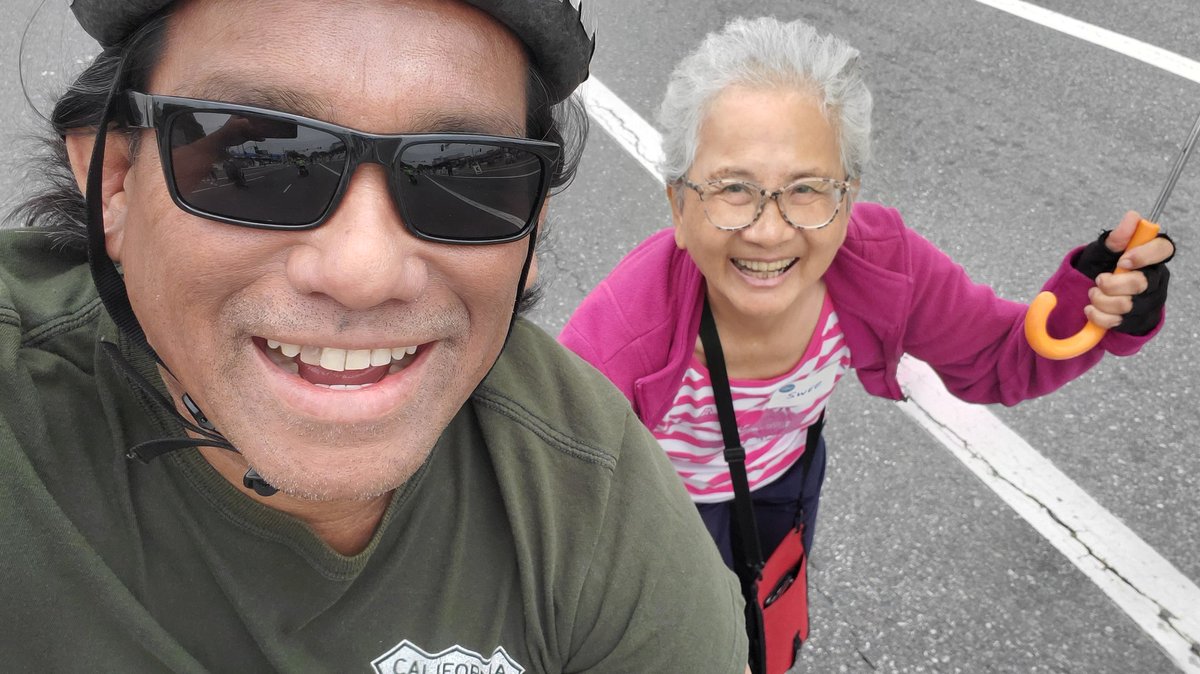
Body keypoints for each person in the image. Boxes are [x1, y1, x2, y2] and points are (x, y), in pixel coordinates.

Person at [0, 1, 750, 670]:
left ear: (529, 236)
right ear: (118, 183)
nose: (364, 269)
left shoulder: (594, 503)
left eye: (467, 173)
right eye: (255, 156)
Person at [559, 15, 1174, 657]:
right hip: (656, 519)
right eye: (732, 189)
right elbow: (546, 489)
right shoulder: (624, 333)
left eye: (807, 189)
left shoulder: (883, 265)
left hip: (784, 483)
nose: (770, 230)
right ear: (679, 209)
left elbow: (1000, 359)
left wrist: (1096, 310)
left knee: (766, 634)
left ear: (849, 199)